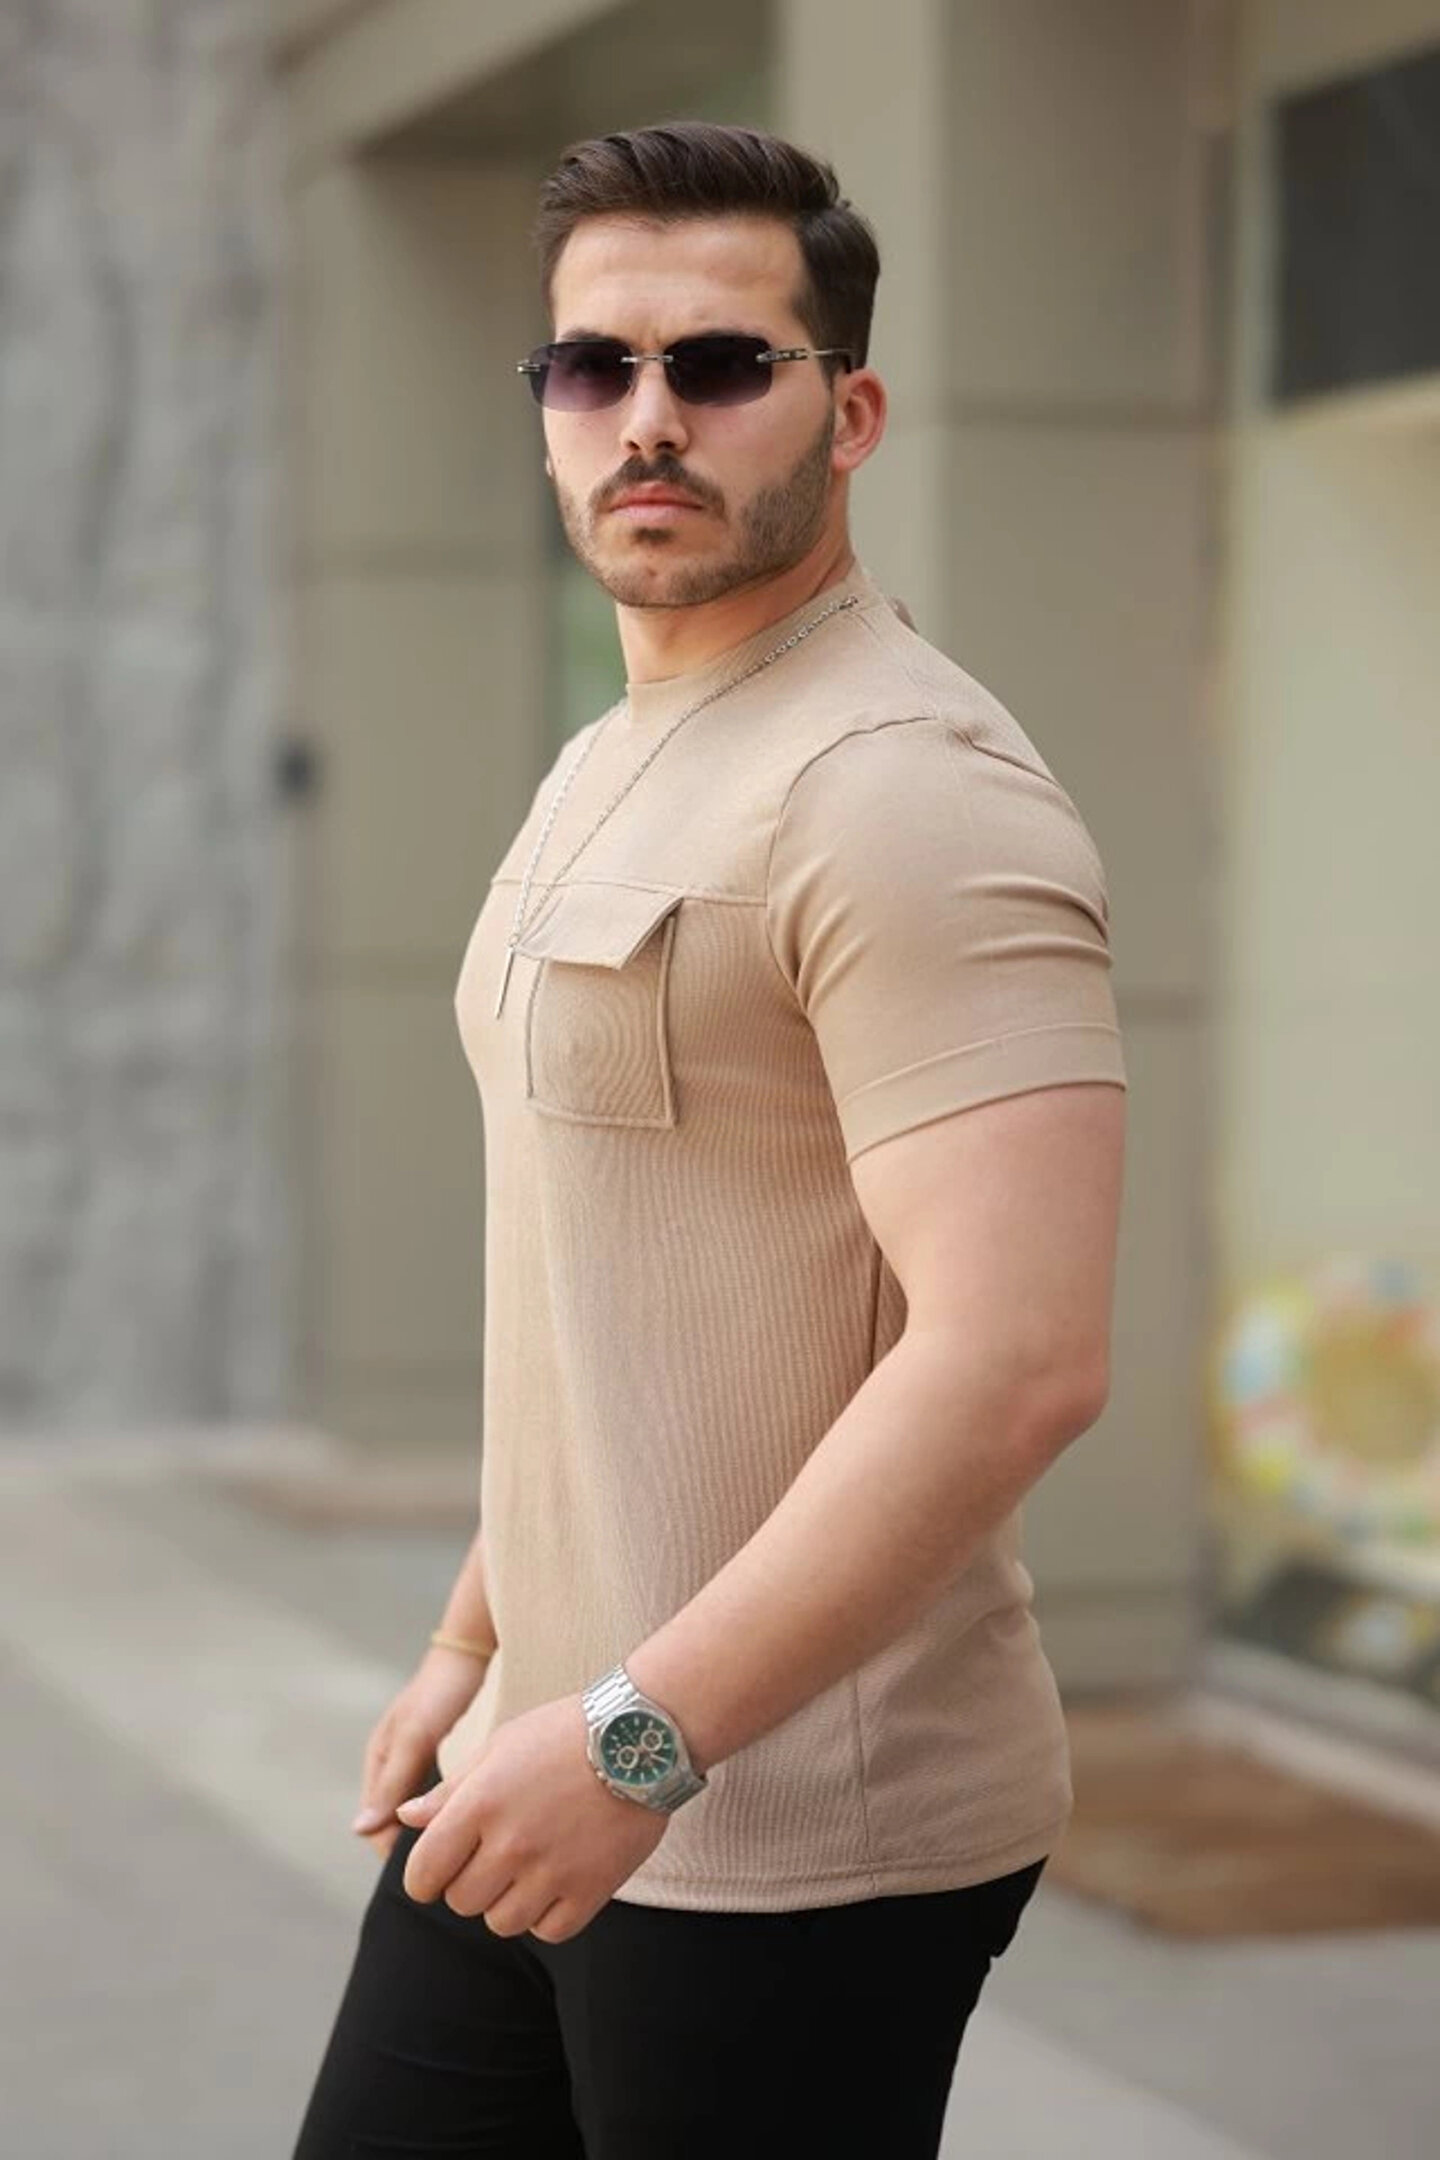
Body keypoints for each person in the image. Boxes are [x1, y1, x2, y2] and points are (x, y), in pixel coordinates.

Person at [291, 119, 1127, 2160]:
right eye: (596, 366)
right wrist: (482, 1641)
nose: (647, 417)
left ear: (851, 414)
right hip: (551, 1761)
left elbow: (1018, 1359)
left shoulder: (905, 791)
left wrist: (634, 1743)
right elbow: (608, 1278)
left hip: (784, 1836)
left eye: (722, 364)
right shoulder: (612, 754)